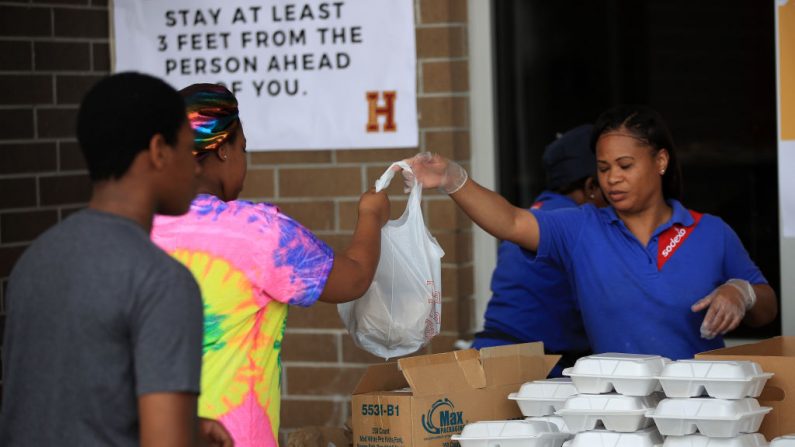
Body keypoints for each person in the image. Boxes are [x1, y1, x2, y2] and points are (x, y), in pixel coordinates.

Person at [402, 105, 777, 360]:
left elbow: (767, 308)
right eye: (603, 167)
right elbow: (511, 222)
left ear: (660, 161)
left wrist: (740, 292)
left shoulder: (709, 231)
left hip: (701, 411)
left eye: (625, 165)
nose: (612, 177)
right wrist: (454, 179)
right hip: (616, 413)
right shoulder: (582, 228)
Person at [150, 83, 390, 447]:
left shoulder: (139, 231)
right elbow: (354, 277)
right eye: (243, 148)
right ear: (224, 151)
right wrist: (371, 215)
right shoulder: (258, 233)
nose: (245, 159)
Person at [0, 73, 232, 446]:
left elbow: (67, 405)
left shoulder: (36, 259)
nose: (196, 168)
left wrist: (185, 426)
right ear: (159, 151)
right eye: (188, 151)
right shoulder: (161, 282)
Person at [473, 124, 605, 376]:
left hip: (487, 357)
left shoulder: (535, 215)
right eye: (607, 174)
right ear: (590, 187)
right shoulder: (576, 227)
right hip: (534, 371)